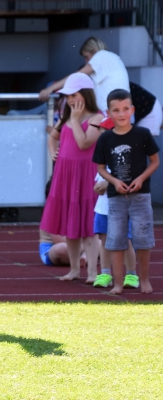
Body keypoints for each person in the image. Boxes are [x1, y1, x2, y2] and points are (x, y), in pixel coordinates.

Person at [93, 89, 160, 294]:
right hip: (116, 197)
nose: (121, 114)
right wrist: (113, 181)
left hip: (140, 195)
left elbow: (154, 161)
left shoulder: (142, 134)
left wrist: (141, 178)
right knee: (115, 239)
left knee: (142, 239)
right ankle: (118, 283)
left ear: (132, 110)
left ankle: (144, 279)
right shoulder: (105, 139)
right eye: (116, 110)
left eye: (125, 109)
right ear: (109, 112)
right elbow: (100, 167)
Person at [40, 73, 103, 282]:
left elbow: (85, 143)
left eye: (75, 95)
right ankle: (75, 269)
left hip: (86, 176)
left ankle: (93, 271)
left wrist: (75, 121)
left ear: (86, 95)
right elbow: (53, 136)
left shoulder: (97, 118)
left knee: (89, 228)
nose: (71, 100)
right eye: (68, 96)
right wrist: (53, 152)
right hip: (66, 175)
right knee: (71, 227)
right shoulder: (67, 118)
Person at [39, 37, 129, 114]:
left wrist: (50, 88)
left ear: (94, 50)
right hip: (117, 112)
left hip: (113, 114)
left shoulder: (102, 55)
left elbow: (76, 76)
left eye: (86, 57)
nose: (86, 62)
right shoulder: (110, 59)